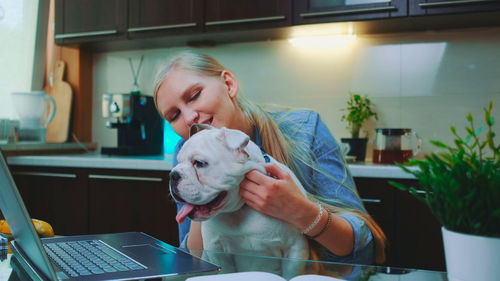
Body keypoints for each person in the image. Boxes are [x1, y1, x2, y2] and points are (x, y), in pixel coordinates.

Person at [153, 51, 386, 265]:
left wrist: (299, 211)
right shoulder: (187, 152)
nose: (190, 117)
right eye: (174, 116)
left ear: (228, 84)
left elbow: (363, 247)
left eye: (194, 96)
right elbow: (193, 259)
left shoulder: (304, 129)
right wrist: (201, 197)